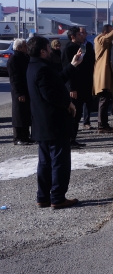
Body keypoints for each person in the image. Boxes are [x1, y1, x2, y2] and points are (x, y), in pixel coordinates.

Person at [26, 35, 83, 209]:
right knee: (59, 162)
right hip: (54, 123)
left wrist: (72, 65)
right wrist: (68, 104)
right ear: (42, 51)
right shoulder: (42, 69)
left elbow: (57, 82)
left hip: (42, 125)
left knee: (45, 162)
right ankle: (57, 197)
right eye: (48, 48)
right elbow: (50, 94)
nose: (51, 50)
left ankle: (42, 197)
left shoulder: (33, 66)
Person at [62, 26, 95, 149]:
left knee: (78, 113)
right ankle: (69, 139)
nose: (83, 36)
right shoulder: (68, 49)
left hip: (84, 85)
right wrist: (71, 88)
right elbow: (68, 69)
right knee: (73, 114)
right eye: (79, 34)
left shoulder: (82, 47)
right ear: (73, 37)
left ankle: (73, 138)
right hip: (75, 88)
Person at [93, 15, 113, 133]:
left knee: (106, 99)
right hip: (102, 75)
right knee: (103, 99)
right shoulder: (100, 40)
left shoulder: (105, 41)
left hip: (107, 74)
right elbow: (109, 37)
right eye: (111, 31)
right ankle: (101, 124)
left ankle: (104, 123)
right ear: (106, 32)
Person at [8, 39, 34, 145]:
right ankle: (18, 137)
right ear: (18, 48)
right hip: (19, 91)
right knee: (19, 114)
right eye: (24, 46)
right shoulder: (14, 59)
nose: (26, 47)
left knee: (26, 114)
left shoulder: (26, 57)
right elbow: (14, 78)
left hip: (27, 89)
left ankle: (25, 136)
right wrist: (19, 93)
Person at [76, 27, 96, 130]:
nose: (81, 35)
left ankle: (86, 121)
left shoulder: (88, 45)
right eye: (79, 33)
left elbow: (91, 58)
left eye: (83, 33)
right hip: (78, 76)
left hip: (88, 75)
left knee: (88, 100)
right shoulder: (77, 46)